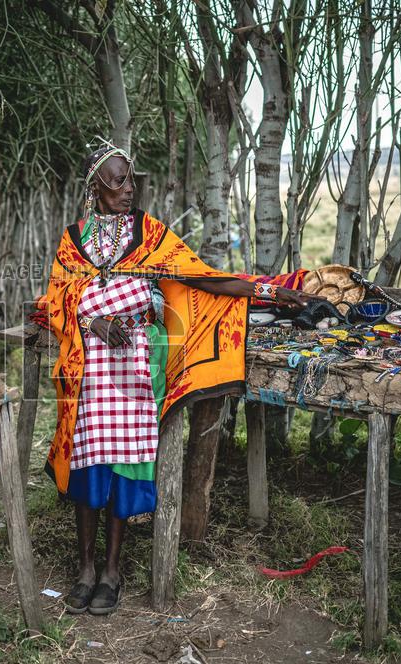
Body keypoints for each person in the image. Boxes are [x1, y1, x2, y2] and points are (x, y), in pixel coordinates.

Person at [40, 141, 324, 616]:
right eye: (117, 180)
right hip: (87, 369)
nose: (128, 189)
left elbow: (203, 278)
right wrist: (92, 322)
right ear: (95, 187)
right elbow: (56, 301)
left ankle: (111, 570)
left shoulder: (149, 233)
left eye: (131, 180)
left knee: (124, 465)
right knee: (88, 469)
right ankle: (84, 568)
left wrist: (268, 292)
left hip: (136, 367)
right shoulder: (72, 241)